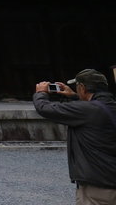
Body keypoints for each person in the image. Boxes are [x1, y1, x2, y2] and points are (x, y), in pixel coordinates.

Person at [34, 69, 116, 204]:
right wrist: (75, 96)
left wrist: (41, 93)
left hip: (98, 186)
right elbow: (95, 108)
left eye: (77, 87)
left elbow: (45, 108)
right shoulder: (109, 107)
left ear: (82, 87)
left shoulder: (86, 110)